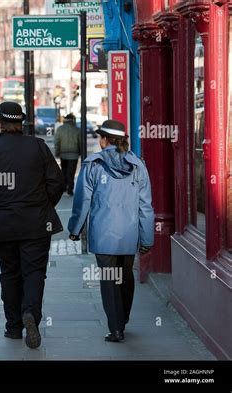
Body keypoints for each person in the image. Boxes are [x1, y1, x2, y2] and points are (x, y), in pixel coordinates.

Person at [0, 101, 65, 349]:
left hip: (4, 225)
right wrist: (43, 205)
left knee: (10, 274)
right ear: (21, 123)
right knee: (34, 272)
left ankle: (13, 327)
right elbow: (57, 182)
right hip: (36, 224)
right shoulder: (38, 147)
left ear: (0, 123)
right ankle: (30, 313)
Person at [68, 120, 154, 343]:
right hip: (129, 233)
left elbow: (82, 201)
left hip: (103, 232)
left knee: (109, 279)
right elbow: (145, 205)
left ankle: (116, 328)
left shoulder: (93, 165)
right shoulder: (137, 165)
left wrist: (75, 229)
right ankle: (122, 320)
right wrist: (147, 238)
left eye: (100, 137)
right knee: (125, 275)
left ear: (104, 139)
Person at [54, 114, 82, 196]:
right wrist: (80, 152)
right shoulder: (77, 129)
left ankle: (63, 187)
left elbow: (57, 142)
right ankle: (70, 189)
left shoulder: (60, 129)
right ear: (73, 120)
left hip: (63, 154)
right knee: (71, 172)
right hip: (74, 154)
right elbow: (80, 142)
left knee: (64, 171)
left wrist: (57, 152)